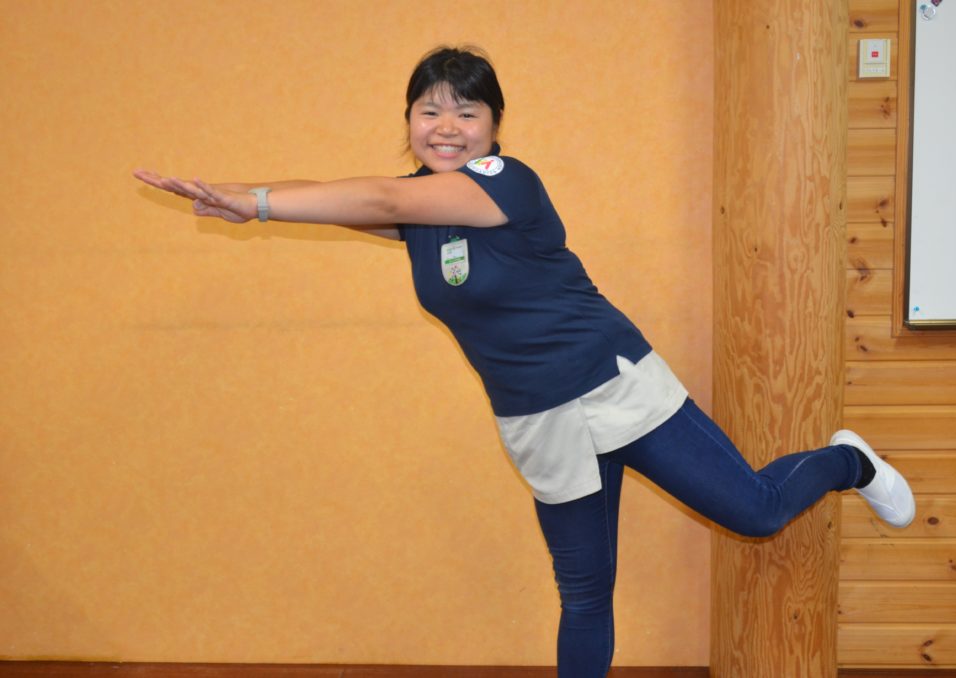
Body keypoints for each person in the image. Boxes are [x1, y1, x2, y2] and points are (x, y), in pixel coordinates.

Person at [133, 45, 915, 678]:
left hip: (612, 384)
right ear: (408, 121)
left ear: (494, 124)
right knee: (584, 594)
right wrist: (245, 201)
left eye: (466, 111)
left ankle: (848, 462)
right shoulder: (418, 208)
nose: (446, 126)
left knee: (757, 512)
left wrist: (256, 200)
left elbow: (382, 201)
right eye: (429, 110)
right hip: (537, 420)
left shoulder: (505, 182)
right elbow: (356, 202)